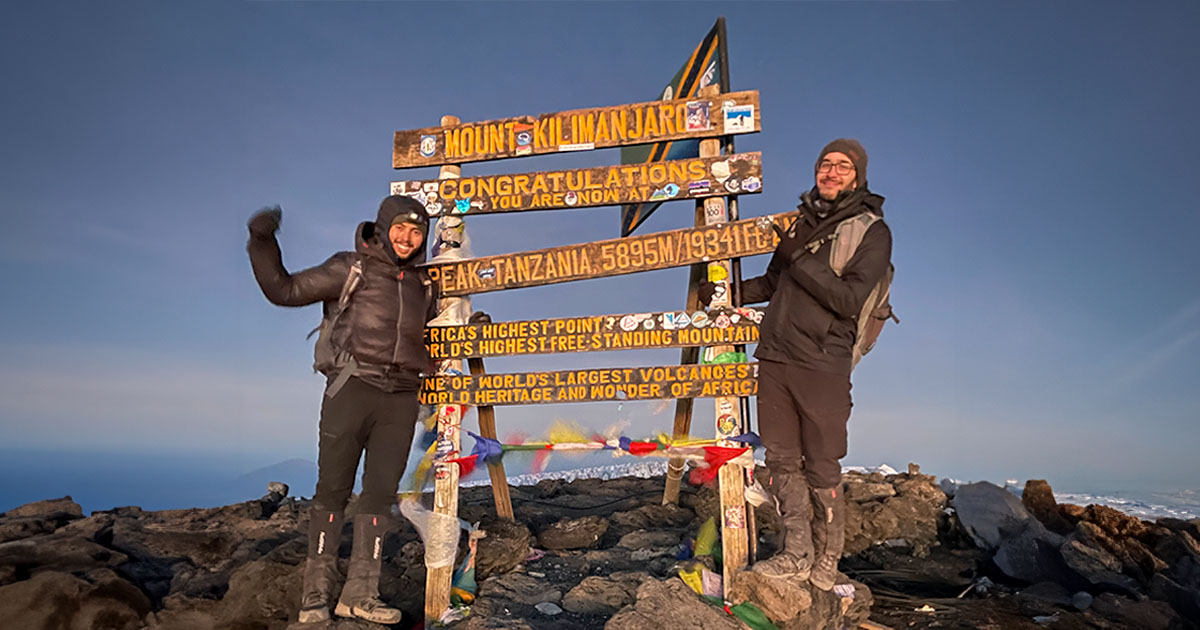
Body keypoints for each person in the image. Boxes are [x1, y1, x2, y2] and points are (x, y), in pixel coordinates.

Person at [704, 139, 892, 590]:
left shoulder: (872, 231)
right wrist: (717, 291)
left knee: (823, 465)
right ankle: (795, 554)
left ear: (858, 175)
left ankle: (826, 561)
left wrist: (798, 256)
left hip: (823, 362)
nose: (831, 172)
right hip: (776, 357)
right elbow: (773, 282)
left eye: (842, 166)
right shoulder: (801, 225)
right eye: (825, 164)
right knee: (783, 460)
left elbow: (848, 299)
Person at [246, 195, 435, 624]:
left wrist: (473, 329)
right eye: (400, 229)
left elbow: (436, 333)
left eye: (417, 231)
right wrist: (261, 240)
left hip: (402, 399)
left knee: (379, 497)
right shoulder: (352, 268)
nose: (407, 238)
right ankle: (315, 597)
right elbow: (285, 289)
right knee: (332, 491)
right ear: (383, 228)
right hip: (351, 389)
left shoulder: (423, 284)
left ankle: (360, 596)